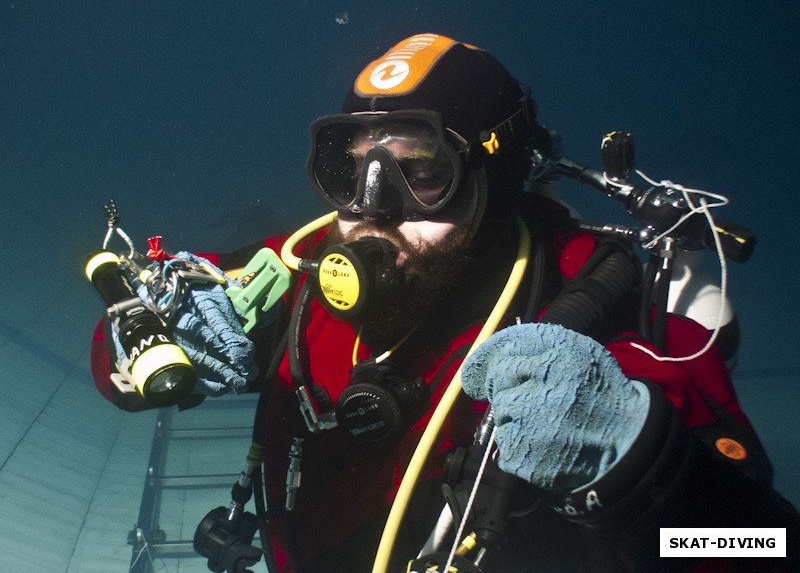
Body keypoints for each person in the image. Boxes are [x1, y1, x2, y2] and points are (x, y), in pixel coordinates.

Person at [90, 33, 799, 572]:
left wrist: (638, 461)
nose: (370, 212)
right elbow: (130, 331)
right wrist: (142, 336)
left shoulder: (603, 309)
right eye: (350, 171)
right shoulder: (298, 269)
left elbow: (762, 544)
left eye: (420, 173)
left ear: (495, 178)